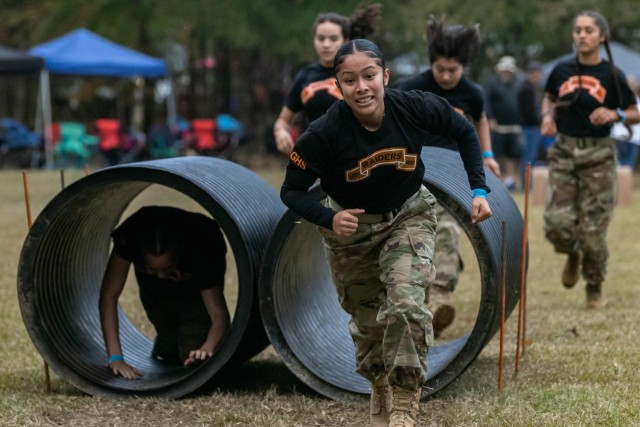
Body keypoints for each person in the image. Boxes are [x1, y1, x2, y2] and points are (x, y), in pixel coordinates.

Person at [280, 39, 492, 427]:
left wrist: (479, 189)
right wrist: (329, 219)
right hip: (351, 231)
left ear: (385, 76)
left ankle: (405, 402)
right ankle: (379, 383)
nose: (361, 87)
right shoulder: (324, 133)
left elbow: (464, 131)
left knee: (406, 304)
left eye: (369, 76)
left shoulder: (413, 106)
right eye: (349, 80)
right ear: (338, 86)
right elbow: (290, 191)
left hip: (408, 214)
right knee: (370, 324)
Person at [395, 15, 500, 339]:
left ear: (464, 67)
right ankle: (421, 300)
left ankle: (440, 297)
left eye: (452, 71)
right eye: (440, 69)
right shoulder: (411, 87)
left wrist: (487, 156)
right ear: (432, 64)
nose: (445, 76)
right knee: (412, 237)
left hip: (453, 173)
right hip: (413, 171)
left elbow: (480, 122)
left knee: (447, 229)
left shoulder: (472, 93)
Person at [541, 10, 640, 309]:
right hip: (564, 152)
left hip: (598, 155)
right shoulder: (561, 70)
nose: (581, 35)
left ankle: (594, 286)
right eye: (577, 30)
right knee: (557, 225)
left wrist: (616, 114)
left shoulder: (613, 75)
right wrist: (546, 115)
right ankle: (572, 253)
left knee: (594, 231)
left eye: (588, 30)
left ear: (601, 36)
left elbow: (635, 112)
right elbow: (549, 98)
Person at [99, 206, 230, 379]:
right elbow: (108, 296)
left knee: (191, 348)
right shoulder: (129, 239)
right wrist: (116, 358)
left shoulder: (200, 249)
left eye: (167, 268)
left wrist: (207, 348)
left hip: (205, 244)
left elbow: (219, 314)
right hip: (146, 247)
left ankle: (193, 343)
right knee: (161, 318)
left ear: (179, 254)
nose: (161, 275)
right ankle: (167, 345)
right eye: (154, 269)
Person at [273, 4, 382, 156]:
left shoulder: (361, 72)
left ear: (345, 39)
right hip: (316, 158)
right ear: (314, 40)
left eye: (333, 38)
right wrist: (281, 133)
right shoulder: (305, 76)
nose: (326, 44)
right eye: (321, 38)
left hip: (358, 156)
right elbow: (283, 121)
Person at [485, 55, 523, 190]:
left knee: (511, 155)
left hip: (514, 126)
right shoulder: (492, 84)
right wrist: (490, 118)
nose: (506, 73)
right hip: (498, 127)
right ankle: (495, 181)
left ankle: (509, 180)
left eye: (509, 71)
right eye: (504, 71)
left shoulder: (518, 84)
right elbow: (487, 102)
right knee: (497, 153)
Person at [518, 60, 546, 186]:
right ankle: (527, 184)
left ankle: (528, 183)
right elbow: (529, 111)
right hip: (530, 127)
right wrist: (540, 120)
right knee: (529, 157)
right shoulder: (526, 89)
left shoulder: (529, 88)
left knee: (530, 156)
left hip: (531, 126)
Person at [612, 76, 640, 168]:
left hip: (616, 137)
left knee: (616, 165)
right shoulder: (637, 104)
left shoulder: (617, 100)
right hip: (632, 139)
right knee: (627, 167)